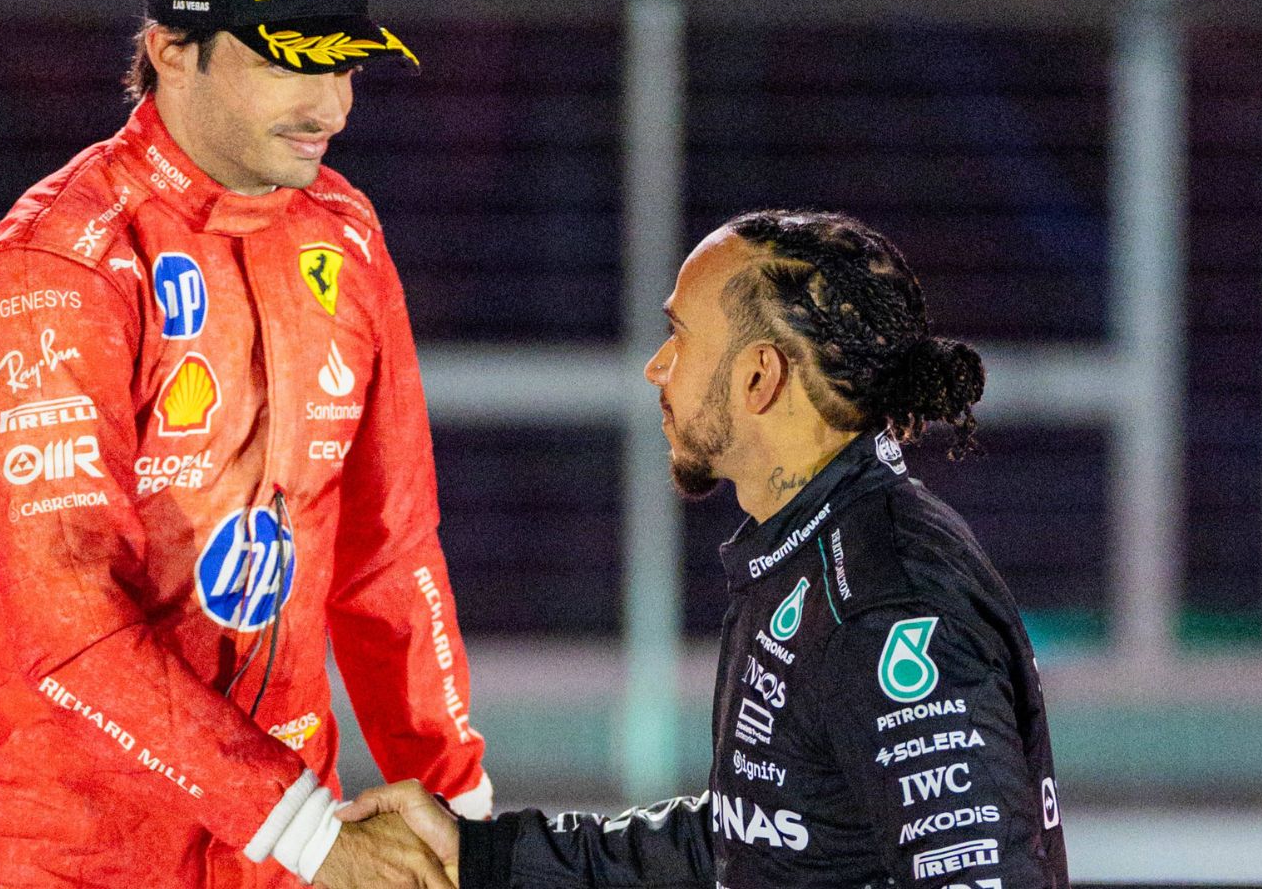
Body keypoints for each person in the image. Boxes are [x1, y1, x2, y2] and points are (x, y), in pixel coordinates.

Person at [0, 0, 489, 889]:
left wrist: (463, 814)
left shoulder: (345, 232)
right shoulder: (55, 270)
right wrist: (308, 831)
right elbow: (70, 614)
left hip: (283, 842)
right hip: (75, 848)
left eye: (346, 65)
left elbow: (389, 554)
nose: (333, 107)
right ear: (171, 50)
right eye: (290, 64)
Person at [339, 210, 1069, 887]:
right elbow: (747, 837)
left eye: (680, 336)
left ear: (759, 377)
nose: (658, 367)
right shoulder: (813, 551)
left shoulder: (883, 601)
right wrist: (482, 858)